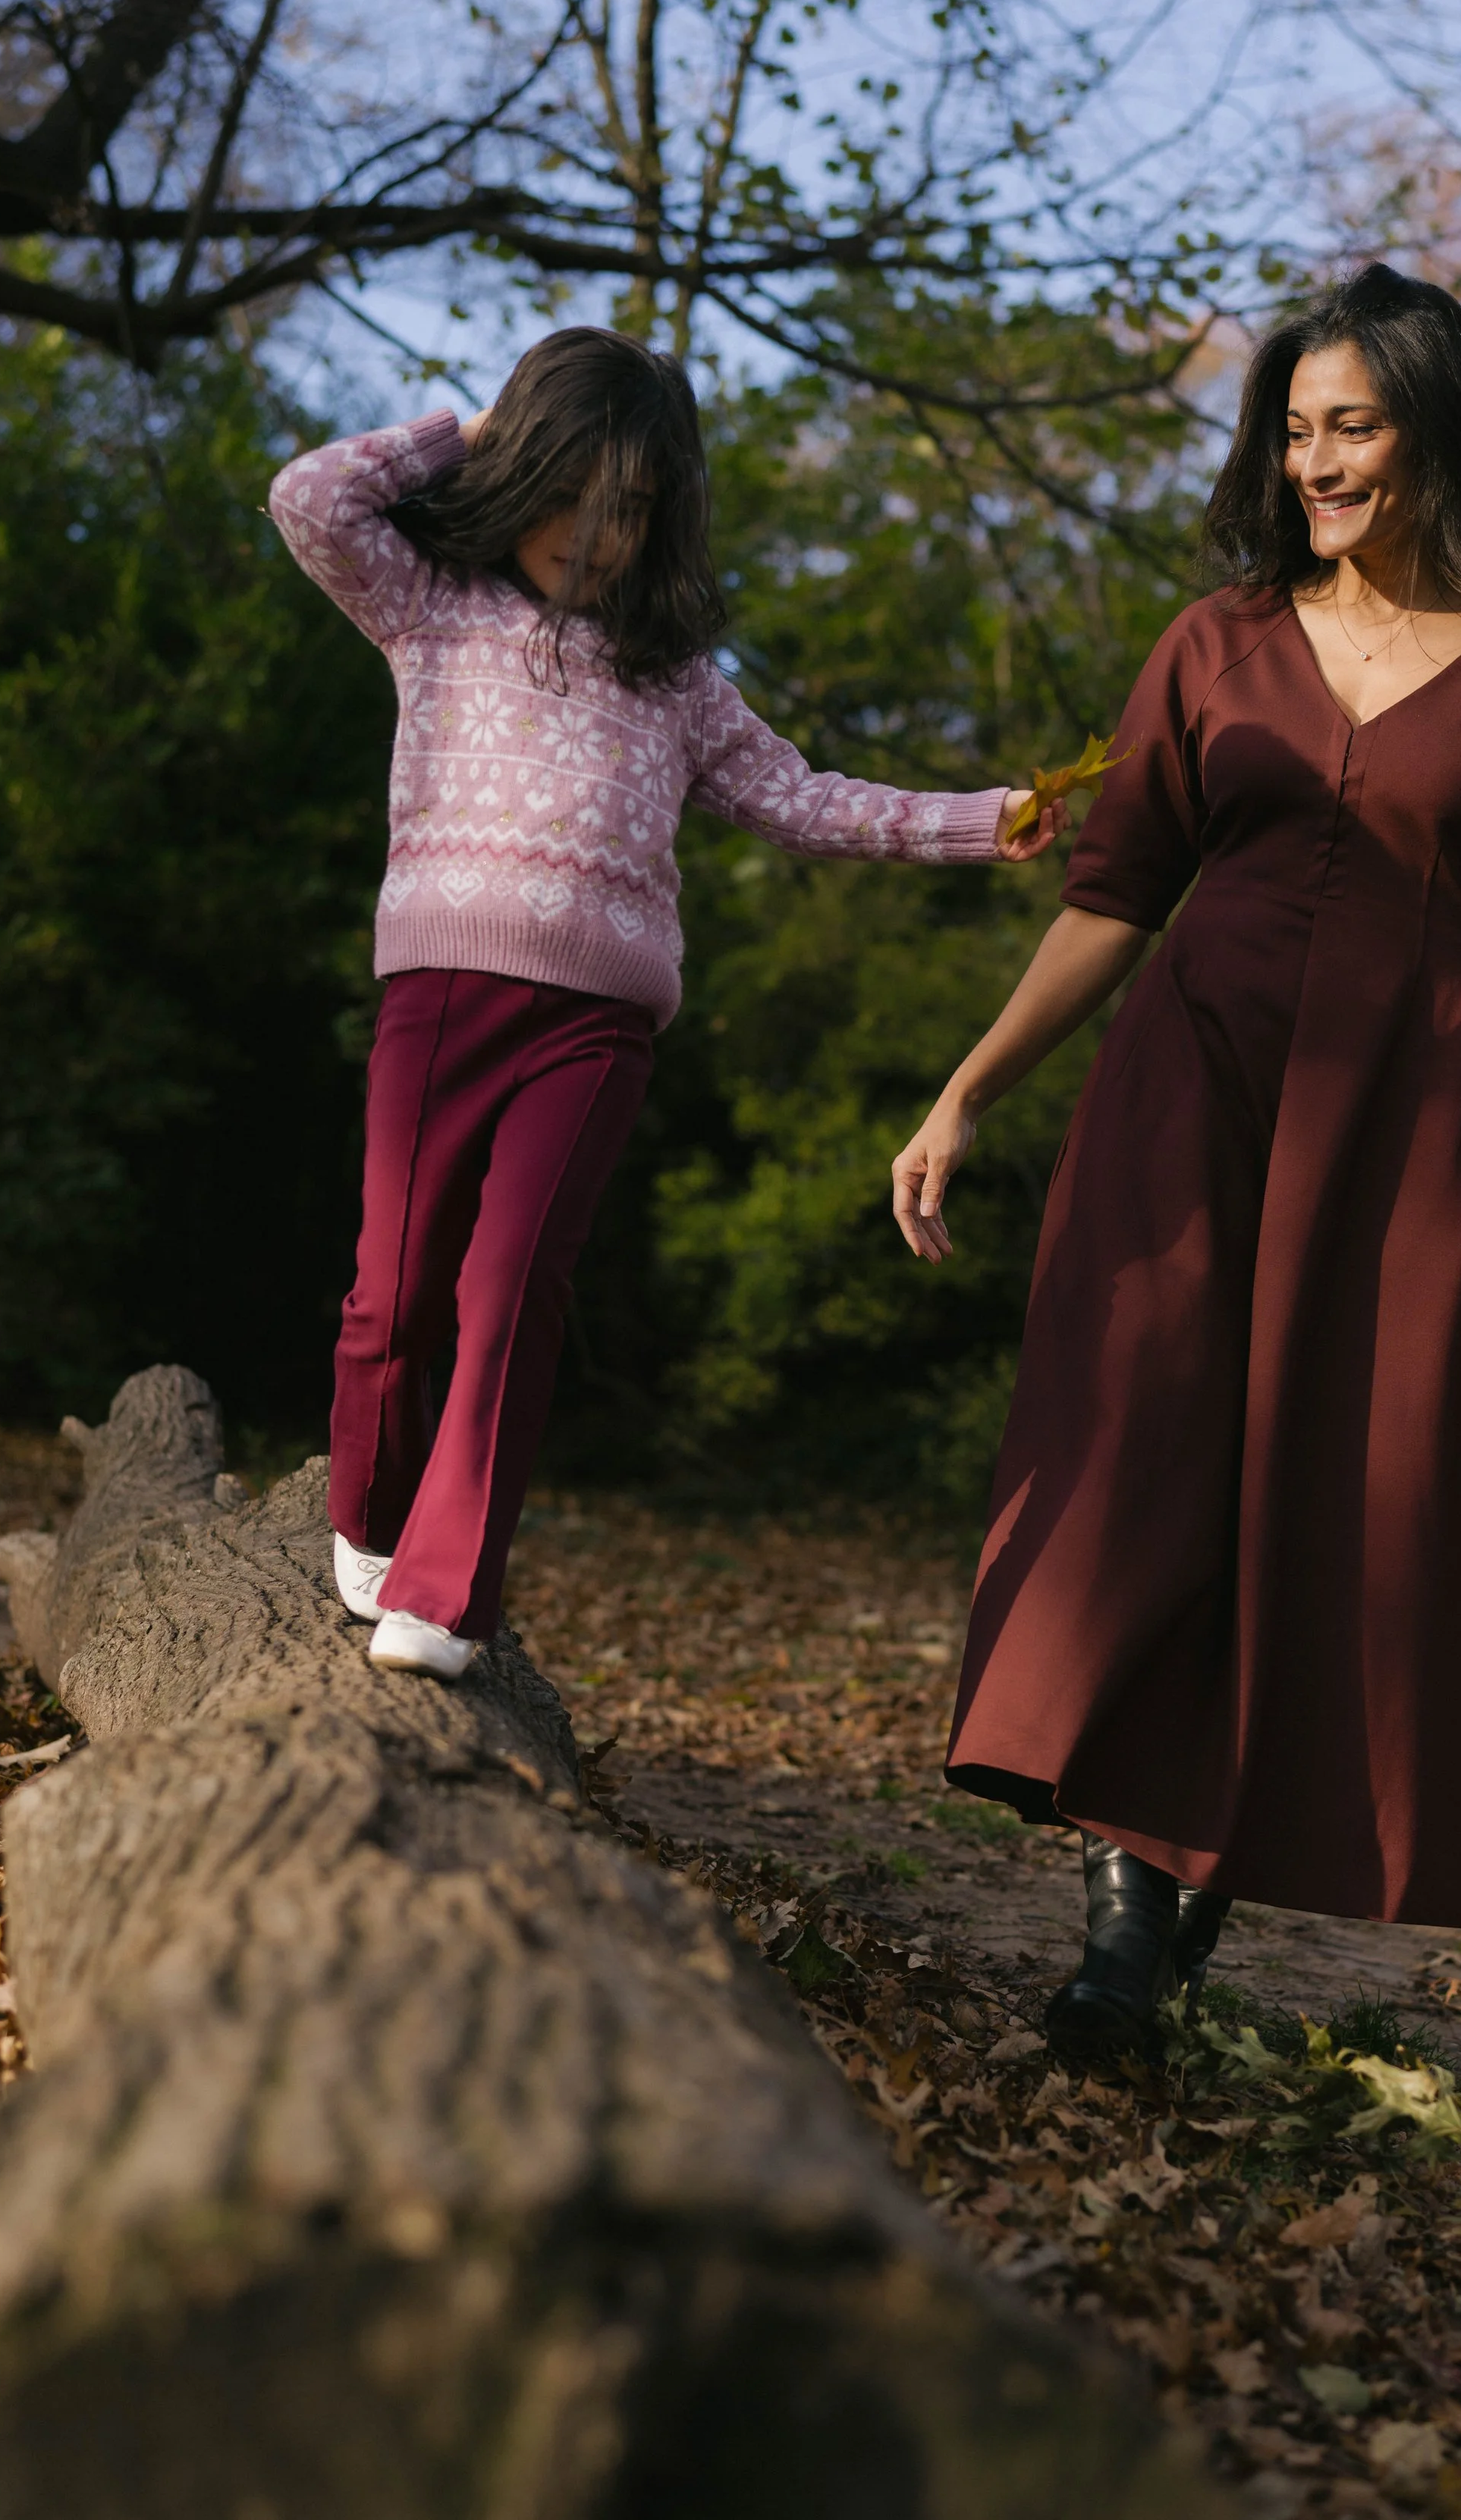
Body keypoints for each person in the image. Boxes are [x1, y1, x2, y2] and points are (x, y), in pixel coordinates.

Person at [889, 264, 1461, 2064]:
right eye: (1294, 428)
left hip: (1411, 1146)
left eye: (1351, 426)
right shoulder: (1214, 641)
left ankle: (1153, 1939)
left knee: (1337, 1514)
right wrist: (970, 1090)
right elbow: (1110, 897)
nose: (1312, 460)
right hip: (1185, 1108)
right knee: (1137, 1462)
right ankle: (1121, 1914)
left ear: (1435, 430)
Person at [271, 327, 1065, 1681]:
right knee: (394, 1290)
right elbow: (310, 500)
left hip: (597, 1024)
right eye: (571, 490)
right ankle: (370, 1509)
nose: (594, 534)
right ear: (527, 473)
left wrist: (982, 823)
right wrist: (460, 433)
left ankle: (447, 1590)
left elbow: (806, 799)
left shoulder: (679, 684)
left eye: (630, 508)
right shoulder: (431, 607)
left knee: (514, 1289)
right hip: (443, 991)